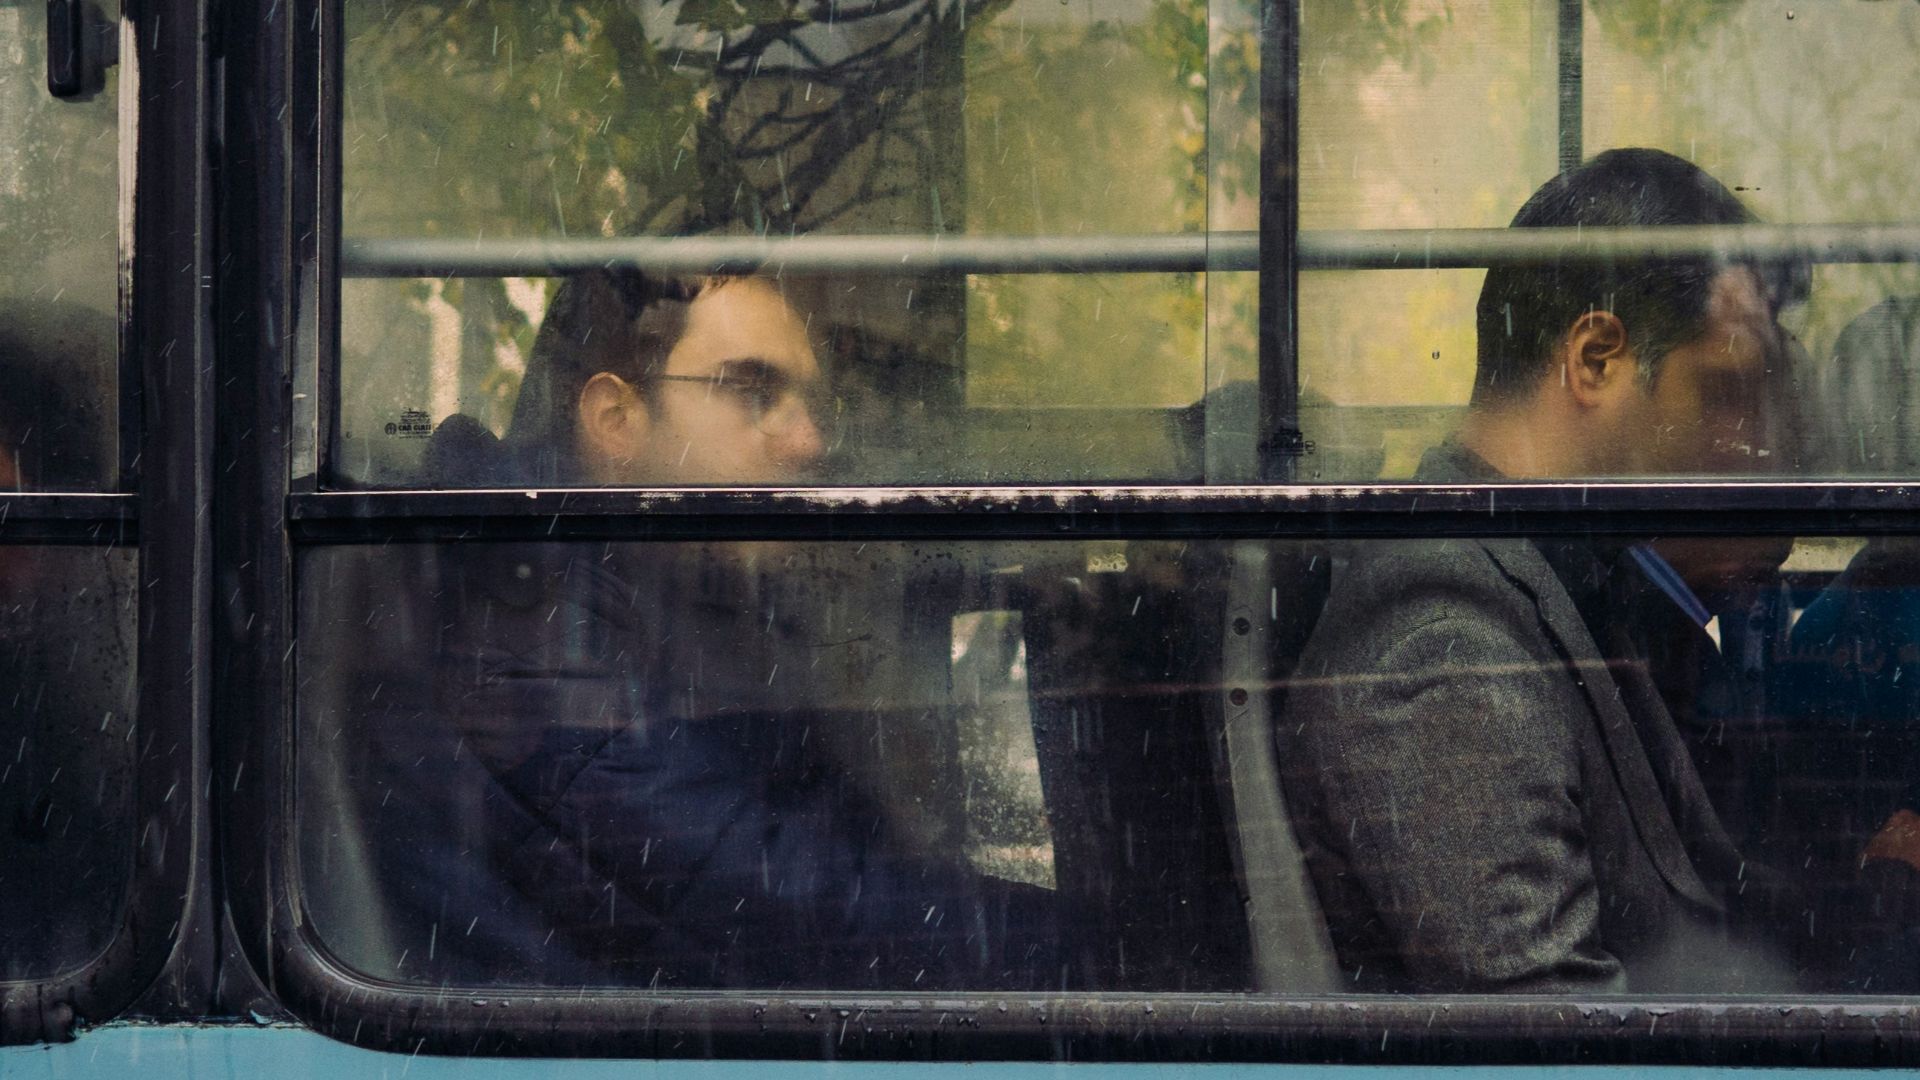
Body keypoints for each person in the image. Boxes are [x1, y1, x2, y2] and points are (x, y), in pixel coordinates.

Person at [394, 270, 1056, 990]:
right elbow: (786, 902)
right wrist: (1106, 942)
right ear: (617, 420)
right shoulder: (532, 628)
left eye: (812, 405)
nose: (807, 441)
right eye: (752, 392)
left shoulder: (656, 585)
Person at [1276, 148, 1806, 994]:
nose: (1748, 447)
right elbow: (1556, 1037)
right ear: (1594, 358)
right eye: (1723, 394)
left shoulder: (1555, 572)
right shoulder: (1444, 640)